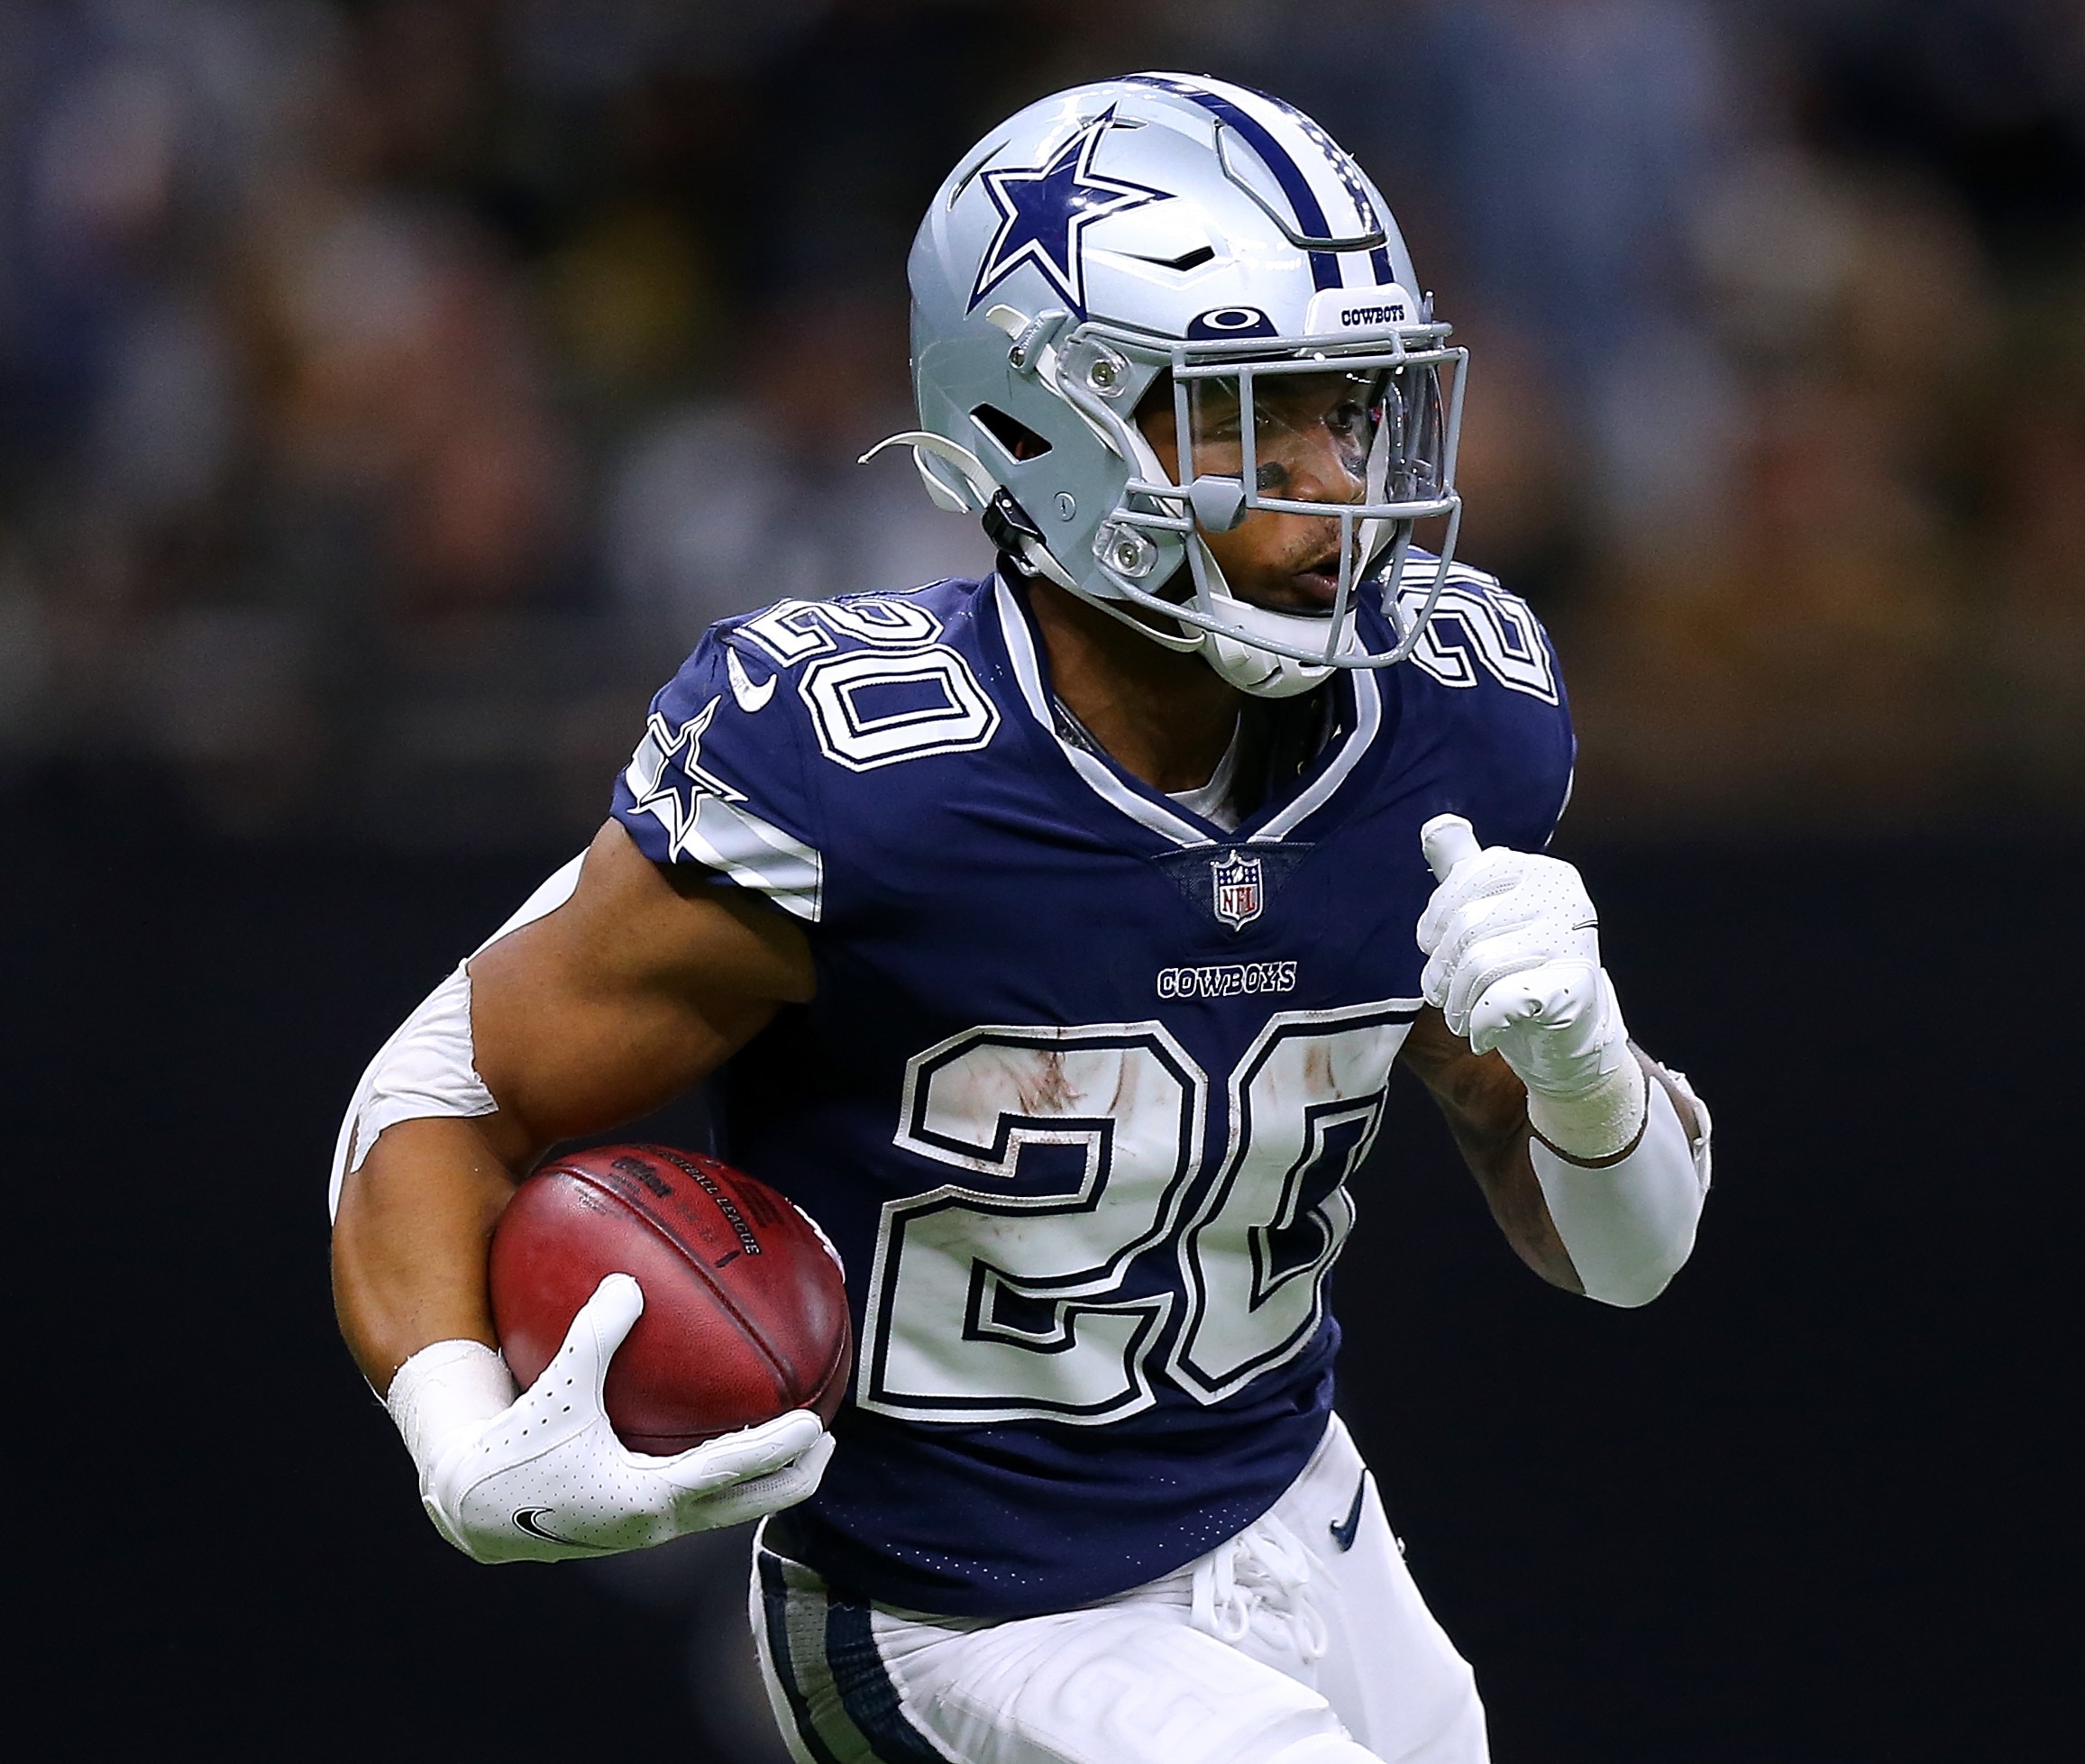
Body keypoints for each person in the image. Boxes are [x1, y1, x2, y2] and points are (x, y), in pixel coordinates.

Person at [329, 73, 1712, 1764]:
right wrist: (463, 1438)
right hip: (959, 1610)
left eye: (1345, 407)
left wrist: (1583, 1075)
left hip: (1295, 1511)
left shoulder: (1445, 717)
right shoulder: (860, 777)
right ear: (1046, 429)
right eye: (1243, 420)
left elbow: (1632, 1260)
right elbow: (440, 1097)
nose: (1329, 487)